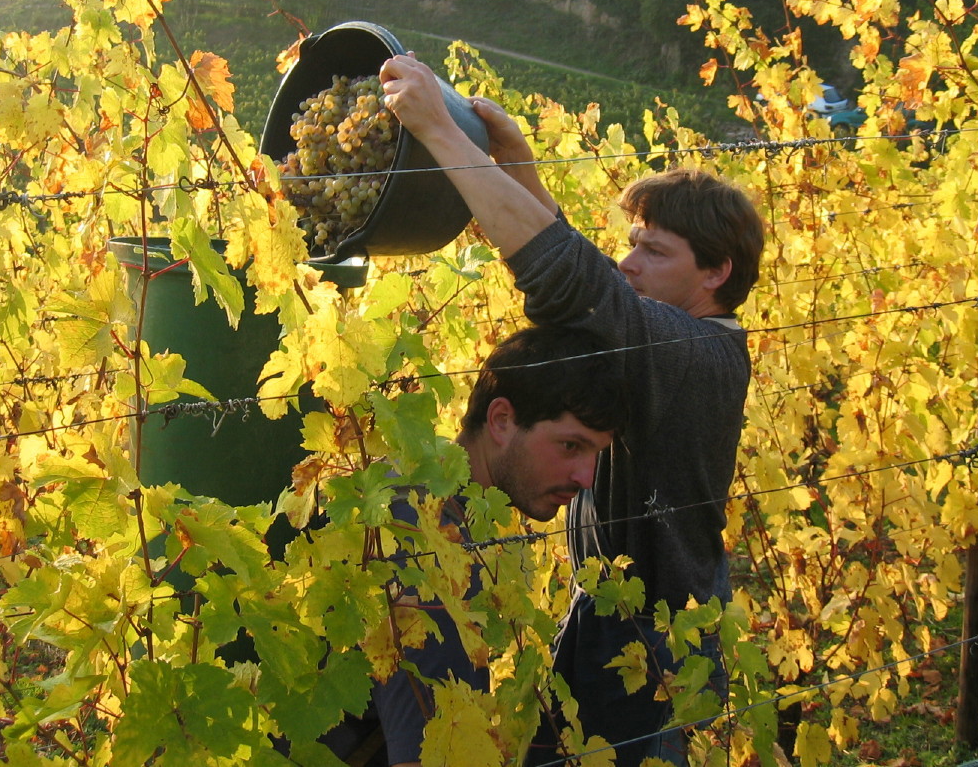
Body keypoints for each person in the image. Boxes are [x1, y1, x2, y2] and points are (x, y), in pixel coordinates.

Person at [379, 53, 765, 766]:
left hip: (647, 644)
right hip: (611, 620)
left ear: (715, 273)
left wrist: (439, 130)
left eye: (653, 251)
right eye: (629, 246)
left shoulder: (695, 358)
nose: (628, 264)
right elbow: (591, 295)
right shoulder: (667, 336)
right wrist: (517, 164)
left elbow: (580, 287)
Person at [321, 325, 625, 767]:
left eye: (597, 453)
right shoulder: (430, 541)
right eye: (570, 445)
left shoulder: (417, 483)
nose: (586, 477)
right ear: (501, 420)